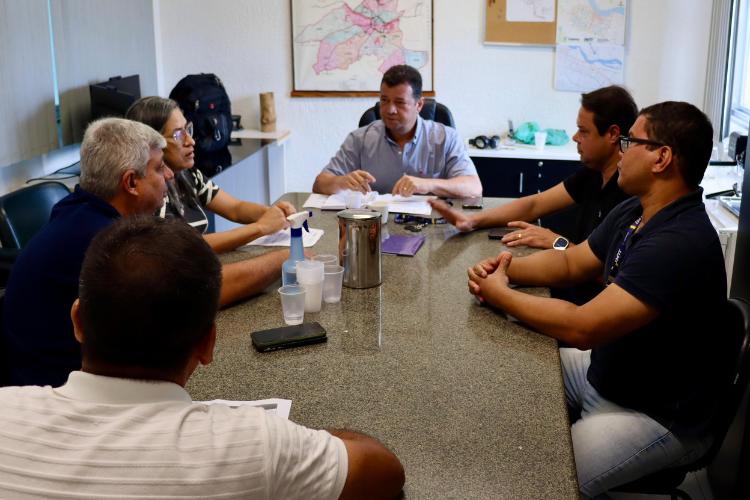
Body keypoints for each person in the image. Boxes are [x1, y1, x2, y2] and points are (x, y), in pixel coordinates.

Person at [0, 216, 405, 500]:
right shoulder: (253, 445)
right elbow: (385, 471)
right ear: (208, 343)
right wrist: (297, 442)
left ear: (78, 321)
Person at [467, 102, 732, 499]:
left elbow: (582, 326)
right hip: (609, 372)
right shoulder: (636, 209)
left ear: (662, 157)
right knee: (509, 373)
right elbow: (572, 263)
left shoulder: (680, 242)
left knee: (540, 485)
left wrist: (501, 294)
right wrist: (503, 268)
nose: (621, 150)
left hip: (654, 416)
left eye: (631, 141)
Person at [2, 118, 295, 388]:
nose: (169, 174)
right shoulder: (102, 239)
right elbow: (202, 290)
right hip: (58, 401)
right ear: (131, 182)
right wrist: (286, 257)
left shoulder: (79, 211)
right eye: (158, 168)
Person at [430, 85, 636, 251]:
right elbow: (533, 205)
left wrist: (557, 242)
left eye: (583, 131)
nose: (575, 137)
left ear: (613, 134)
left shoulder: (630, 193)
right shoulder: (593, 173)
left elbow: (610, 275)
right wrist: (471, 221)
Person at [126, 96, 295, 253]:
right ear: (152, 144)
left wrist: (274, 214)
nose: (190, 141)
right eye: (178, 134)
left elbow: (235, 208)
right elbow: (186, 247)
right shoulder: (149, 192)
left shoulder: (188, 174)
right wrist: (261, 227)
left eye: (187, 129)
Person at [313, 65, 482, 198]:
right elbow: (320, 184)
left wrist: (428, 185)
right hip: (375, 228)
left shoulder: (446, 138)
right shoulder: (360, 139)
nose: (389, 109)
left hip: (432, 228)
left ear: (419, 105)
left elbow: (474, 188)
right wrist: (342, 181)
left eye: (400, 103)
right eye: (384, 100)